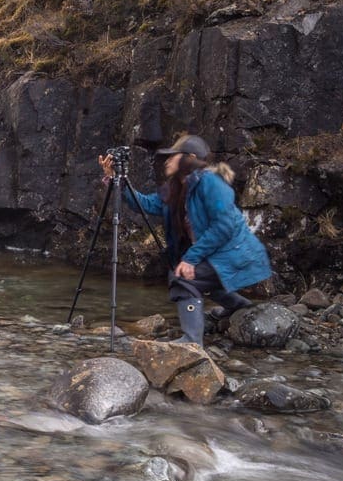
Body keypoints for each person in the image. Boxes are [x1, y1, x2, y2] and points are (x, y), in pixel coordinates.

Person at [99, 134, 272, 346]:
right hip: (218, 256)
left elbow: (223, 226)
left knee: (182, 278)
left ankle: (191, 342)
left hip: (238, 256)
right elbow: (142, 204)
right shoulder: (176, 189)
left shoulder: (211, 183)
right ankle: (242, 308)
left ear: (190, 158)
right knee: (199, 279)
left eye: (174, 156)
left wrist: (190, 258)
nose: (168, 161)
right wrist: (118, 179)